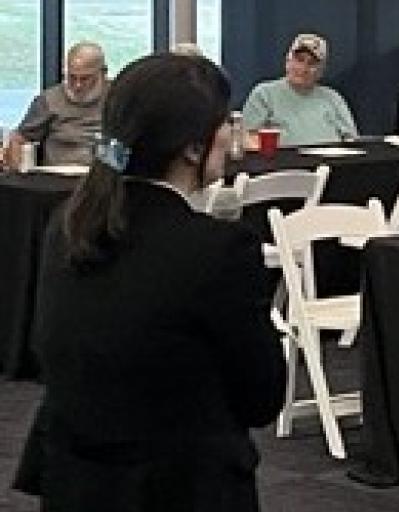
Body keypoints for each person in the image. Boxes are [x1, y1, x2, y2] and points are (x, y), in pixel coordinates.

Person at [12, 54, 285, 511]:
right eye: (225, 122)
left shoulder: (68, 227)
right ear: (193, 148)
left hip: (75, 481)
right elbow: (262, 396)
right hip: (181, 487)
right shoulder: (218, 250)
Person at [3, 41, 108, 169]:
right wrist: (17, 176)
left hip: (101, 176)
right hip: (57, 178)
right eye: (72, 77)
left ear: (103, 73)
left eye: (85, 78)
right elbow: (18, 139)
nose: (77, 85)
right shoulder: (49, 100)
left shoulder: (117, 98)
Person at [242, 33, 357, 146]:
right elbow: (247, 138)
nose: (303, 68)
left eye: (312, 63)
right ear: (288, 61)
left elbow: (352, 140)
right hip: (284, 164)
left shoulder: (334, 98)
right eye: (299, 60)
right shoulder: (264, 94)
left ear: (321, 71)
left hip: (331, 163)